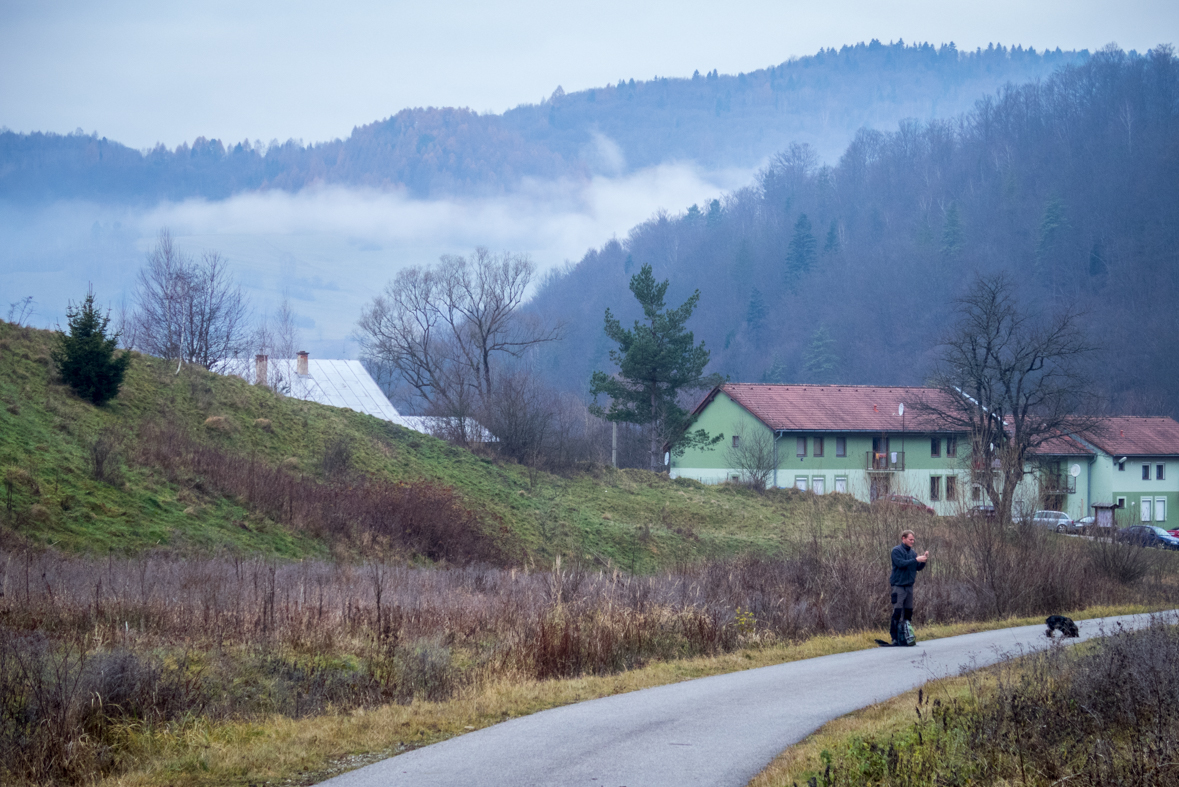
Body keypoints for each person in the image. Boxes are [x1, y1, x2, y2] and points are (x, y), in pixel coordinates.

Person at [889, 529, 929, 645]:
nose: (912, 541)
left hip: (909, 586)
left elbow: (917, 568)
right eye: (910, 539)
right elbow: (901, 563)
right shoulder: (896, 551)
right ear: (904, 538)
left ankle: (905, 636)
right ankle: (895, 638)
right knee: (897, 611)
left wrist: (924, 561)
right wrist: (915, 560)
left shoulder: (913, 553)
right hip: (898, 585)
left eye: (913, 539)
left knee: (908, 612)